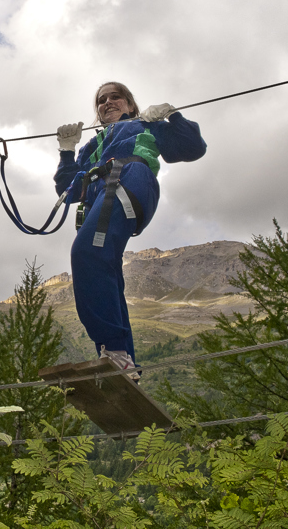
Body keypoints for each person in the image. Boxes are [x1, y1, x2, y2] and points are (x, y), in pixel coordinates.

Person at [54, 82, 206, 377]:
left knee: (87, 253)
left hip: (131, 178)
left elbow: (192, 148)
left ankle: (114, 349)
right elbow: (67, 190)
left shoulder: (144, 125)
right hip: (100, 194)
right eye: (101, 100)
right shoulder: (91, 147)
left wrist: (172, 116)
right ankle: (124, 360)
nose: (108, 102)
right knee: (104, 268)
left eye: (116, 97)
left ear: (130, 105)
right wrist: (67, 152)